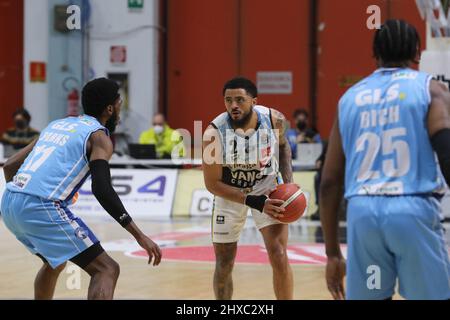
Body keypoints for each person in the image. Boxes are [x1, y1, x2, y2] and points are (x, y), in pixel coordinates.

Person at [320, 19, 450, 300]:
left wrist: (332, 254)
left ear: (375, 54)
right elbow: (446, 152)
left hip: (363, 215)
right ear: (417, 53)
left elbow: (329, 182)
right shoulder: (431, 89)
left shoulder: (349, 98)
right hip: (412, 209)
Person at [1, 78, 162, 300]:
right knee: (106, 269)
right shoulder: (99, 137)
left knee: (53, 262)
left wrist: (20, 197)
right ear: (109, 109)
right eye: (119, 104)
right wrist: (139, 235)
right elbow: (102, 189)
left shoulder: (57, 124)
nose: (120, 110)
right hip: (42, 204)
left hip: (9, 201)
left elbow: (9, 166)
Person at [203, 77, 294, 300]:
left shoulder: (274, 120)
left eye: (240, 100)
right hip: (230, 194)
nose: (233, 105)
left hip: (267, 188)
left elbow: (284, 148)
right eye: (228, 100)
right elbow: (212, 184)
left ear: (254, 101)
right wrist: (252, 200)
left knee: (279, 254)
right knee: (224, 263)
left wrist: (288, 185)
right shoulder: (213, 134)